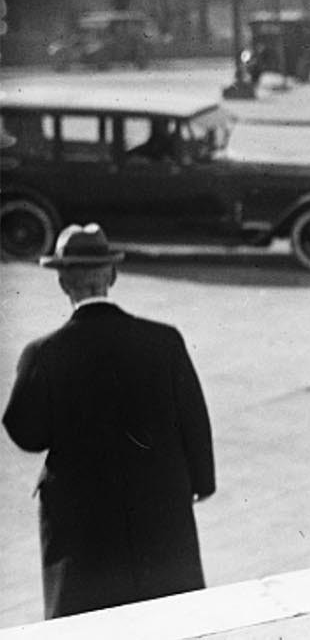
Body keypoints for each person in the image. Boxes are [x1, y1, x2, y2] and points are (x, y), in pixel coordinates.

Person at [4, 224, 215, 619]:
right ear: (113, 277)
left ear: (64, 284)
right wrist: (202, 482)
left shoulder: (43, 353)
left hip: (82, 521)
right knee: (167, 618)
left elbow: (27, 433)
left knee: (90, 620)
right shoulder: (163, 340)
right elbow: (194, 418)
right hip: (159, 509)